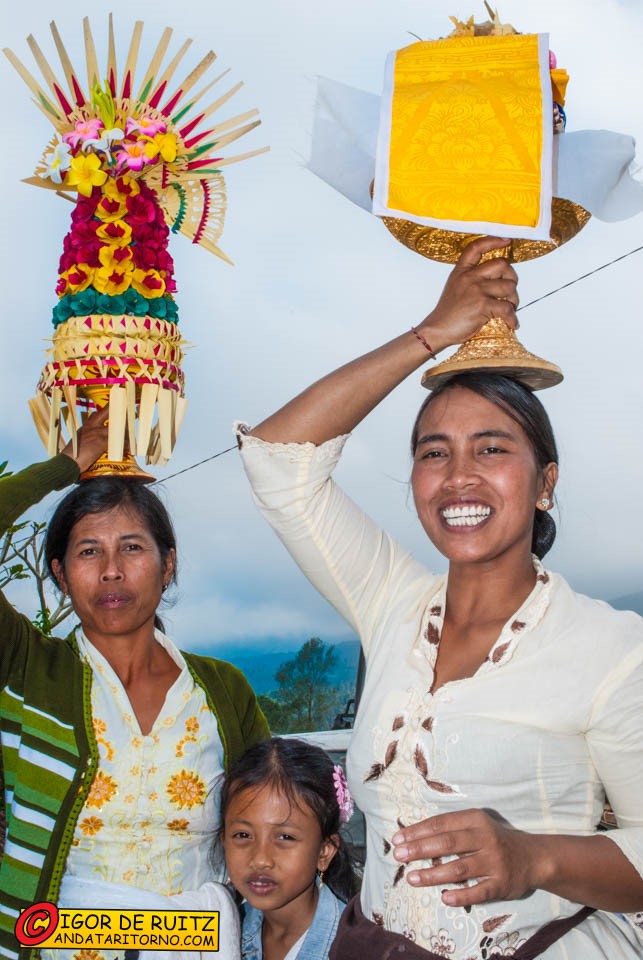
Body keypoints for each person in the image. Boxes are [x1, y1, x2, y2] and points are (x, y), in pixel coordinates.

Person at [235, 235, 643, 959]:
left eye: (492, 448)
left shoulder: (610, 648)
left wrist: (534, 858)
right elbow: (276, 459)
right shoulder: (391, 601)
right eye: (433, 452)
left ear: (545, 482)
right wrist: (435, 331)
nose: (458, 477)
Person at [0, 410, 269, 960]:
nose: (111, 570)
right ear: (60, 573)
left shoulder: (222, 690)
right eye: (88, 551)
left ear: (168, 565)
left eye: (132, 547)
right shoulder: (28, 669)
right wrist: (66, 464)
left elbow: (270, 822)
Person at [220, 737, 354, 960]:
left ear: (324, 852)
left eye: (285, 837)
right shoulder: (219, 928)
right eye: (243, 835)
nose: (260, 860)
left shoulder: (356, 948)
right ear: (224, 839)